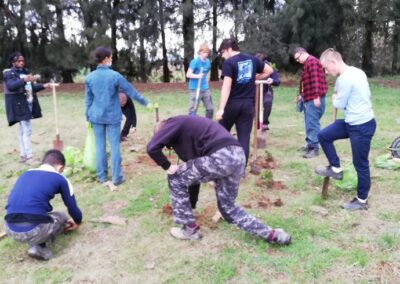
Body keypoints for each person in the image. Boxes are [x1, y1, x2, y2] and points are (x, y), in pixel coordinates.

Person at [147, 115, 291, 244]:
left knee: (175, 176)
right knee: (228, 208)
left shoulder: (172, 123)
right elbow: (192, 177)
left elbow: (152, 147)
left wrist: (166, 166)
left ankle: (189, 230)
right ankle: (272, 235)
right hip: (238, 155)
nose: (168, 147)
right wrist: (191, 206)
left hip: (220, 155)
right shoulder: (188, 130)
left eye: (167, 144)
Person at [315, 48, 376, 211]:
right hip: (351, 122)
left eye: (327, 68)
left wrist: (334, 98)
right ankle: (336, 169)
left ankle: (362, 200)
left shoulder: (345, 79)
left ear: (333, 62)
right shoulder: (357, 72)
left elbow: (339, 104)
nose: (326, 72)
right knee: (324, 135)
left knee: (360, 164)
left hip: (361, 125)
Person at [85, 47, 150, 186]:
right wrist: (145, 102)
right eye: (111, 58)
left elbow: (88, 100)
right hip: (112, 116)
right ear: (106, 58)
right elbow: (131, 91)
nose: (112, 60)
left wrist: (87, 117)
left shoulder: (89, 77)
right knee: (114, 146)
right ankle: (116, 178)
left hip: (95, 116)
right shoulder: (115, 76)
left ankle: (101, 177)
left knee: (100, 146)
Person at [4, 149, 82, 260]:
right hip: (33, 230)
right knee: (61, 216)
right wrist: (77, 221)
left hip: (10, 228)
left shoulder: (25, 173)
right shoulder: (60, 178)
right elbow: (73, 208)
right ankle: (38, 247)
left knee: (38, 214)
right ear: (60, 168)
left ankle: (34, 242)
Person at [216, 38, 273, 164]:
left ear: (229, 49)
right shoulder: (252, 59)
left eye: (223, 52)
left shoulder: (229, 63)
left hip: (232, 104)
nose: (223, 56)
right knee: (244, 138)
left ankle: (220, 162)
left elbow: (227, 86)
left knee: (220, 133)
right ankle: (241, 169)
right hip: (248, 105)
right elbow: (269, 70)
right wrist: (255, 78)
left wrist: (221, 108)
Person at [3, 52, 51, 165]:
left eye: (22, 61)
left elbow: (31, 87)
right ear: (13, 62)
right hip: (17, 104)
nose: (21, 63)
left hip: (27, 102)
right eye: (18, 61)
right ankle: (29, 157)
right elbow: (11, 86)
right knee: (27, 130)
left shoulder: (25, 72)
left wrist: (44, 85)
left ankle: (23, 155)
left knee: (22, 130)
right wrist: (24, 80)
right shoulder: (8, 73)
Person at [293, 47, 328, 158]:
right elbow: (307, 82)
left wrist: (316, 96)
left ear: (301, 53)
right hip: (308, 98)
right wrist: (301, 95)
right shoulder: (308, 63)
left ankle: (314, 148)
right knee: (309, 122)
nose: (298, 61)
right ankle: (310, 144)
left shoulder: (312, 62)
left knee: (312, 123)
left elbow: (315, 80)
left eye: (297, 58)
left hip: (314, 98)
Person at [186, 42, 213, 119]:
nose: (206, 54)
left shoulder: (208, 62)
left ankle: (208, 125)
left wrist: (206, 81)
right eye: (204, 52)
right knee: (193, 110)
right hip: (195, 88)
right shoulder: (195, 62)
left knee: (210, 109)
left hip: (205, 88)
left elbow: (206, 73)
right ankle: (191, 126)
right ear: (200, 52)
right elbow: (188, 74)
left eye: (207, 52)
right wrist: (197, 76)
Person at [255, 53, 281, 131]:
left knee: (268, 102)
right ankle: (257, 123)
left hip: (266, 90)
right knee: (253, 107)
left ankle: (265, 123)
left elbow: (277, 81)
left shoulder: (269, 67)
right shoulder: (251, 65)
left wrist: (272, 80)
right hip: (254, 90)